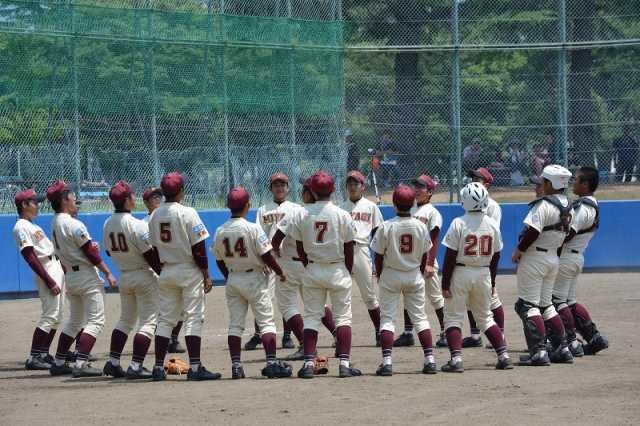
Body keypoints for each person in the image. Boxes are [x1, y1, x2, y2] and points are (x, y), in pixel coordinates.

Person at [211, 186, 293, 379]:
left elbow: (219, 260)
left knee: (235, 325)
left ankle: (236, 366)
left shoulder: (220, 230)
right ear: (247, 205)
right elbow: (266, 256)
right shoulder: (253, 228)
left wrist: (229, 277)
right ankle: (271, 363)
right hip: (254, 278)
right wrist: (280, 271)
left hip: (234, 277)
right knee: (266, 323)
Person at [148, 172, 221, 381]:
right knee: (193, 318)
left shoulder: (155, 215)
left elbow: (153, 248)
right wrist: (207, 274)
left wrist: (164, 267)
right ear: (181, 191)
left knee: (165, 320)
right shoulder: (188, 212)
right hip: (188, 270)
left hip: (167, 270)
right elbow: (199, 249)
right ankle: (195, 367)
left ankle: (157, 368)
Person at [289, 171, 362, 379]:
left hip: (313, 268)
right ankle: (344, 364)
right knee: (343, 318)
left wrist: (309, 265)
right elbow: (349, 248)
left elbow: (300, 248)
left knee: (312, 318)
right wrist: (347, 269)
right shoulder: (342, 214)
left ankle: (308, 364)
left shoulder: (301, 213)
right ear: (334, 190)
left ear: (312, 190)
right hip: (337, 268)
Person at [46, 180, 117, 377]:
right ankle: (81, 363)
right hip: (85, 276)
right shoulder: (73, 223)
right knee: (96, 320)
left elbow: (82, 249)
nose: (74, 199)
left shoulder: (55, 222)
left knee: (74, 321)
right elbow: (90, 252)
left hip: (71, 275)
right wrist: (108, 273)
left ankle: (59, 362)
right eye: (71, 196)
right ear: (63, 200)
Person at [440, 182, 513, 372]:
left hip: (461, 272)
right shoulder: (492, 224)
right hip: (483, 273)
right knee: (486, 318)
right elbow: (496, 257)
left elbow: (450, 257)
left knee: (453, 318)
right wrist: (493, 282)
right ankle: (504, 356)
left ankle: (456, 360)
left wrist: (445, 283)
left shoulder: (458, 222)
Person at [511, 165, 574, 366]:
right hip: (552, 257)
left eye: (543, 181)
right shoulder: (569, 205)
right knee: (547, 306)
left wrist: (518, 251)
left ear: (550, 183)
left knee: (529, 306)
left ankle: (539, 353)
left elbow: (533, 232)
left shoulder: (544, 204)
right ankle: (563, 349)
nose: (541, 185)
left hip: (536, 258)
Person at [271, 174, 339, 361]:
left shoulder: (296, 212)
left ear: (310, 193)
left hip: (290, 263)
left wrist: (276, 251)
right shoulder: (330, 212)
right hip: (312, 263)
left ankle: (305, 345)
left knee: (287, 305)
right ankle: (337, 335)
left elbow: (276, 240)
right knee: (316, 303)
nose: (301, 192)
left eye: (304, 190)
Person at [371, 185, 437, 376]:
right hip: (413, 274)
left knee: (388, 320)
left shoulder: (386, 225)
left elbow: (378, 255)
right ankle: (430, 360)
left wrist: (380, 274)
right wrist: (419, 271)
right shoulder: (420, 225)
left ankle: (387, 363)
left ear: (394, 204)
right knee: (420, 318)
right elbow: (424, 254)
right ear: (413, 203)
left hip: (391, 274)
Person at [101, 180, 164, 380]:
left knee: (125, 320)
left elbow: (108, 253)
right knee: (148, 322)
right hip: (143, 275)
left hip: (125, 274)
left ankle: (113, 362)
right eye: (132, 195)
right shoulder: (137, 225)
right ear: (127, 200)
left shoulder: (107, 223)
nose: (134, 198)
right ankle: (136, 366)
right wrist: (163, 274)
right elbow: (151, 256)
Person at [552, 167, 609, 356]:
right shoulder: (592, 204)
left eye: (576, 179)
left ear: (585, 184)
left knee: (557, 301)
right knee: (569, 302)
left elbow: (568, 234)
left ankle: (571, 342)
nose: (572, 183)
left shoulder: (583, 207)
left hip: (567, 257)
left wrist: (552, 244)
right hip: (576, 257)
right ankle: (594, 337)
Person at [13, 189, 65, 371]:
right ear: (24, 204)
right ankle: (33, 357)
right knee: (50, 314)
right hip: (46, 268)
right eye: (34, 202)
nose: (38, 205)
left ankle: (43, 353)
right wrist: (49, 280)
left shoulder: (33, 225)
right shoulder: (21, 226)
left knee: (57, 316)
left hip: (54, 265)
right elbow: (30, 256)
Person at [393, 174, 447, 348]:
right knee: (408, 296)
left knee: (435, 298)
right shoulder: (411, 209)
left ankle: (446, 331)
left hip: (426, 261)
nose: (416, 190)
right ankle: (408, 334)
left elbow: (434, 239)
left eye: (421, 187)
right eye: (415, 186)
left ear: (430, 192)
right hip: (411, 261)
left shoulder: (432, 212)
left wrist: (430, 263)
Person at [249, 172, 300, 352]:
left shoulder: (295, 208)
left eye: (282, 185)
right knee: (264, 297)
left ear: (288, 187)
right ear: (270, 188)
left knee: (287, 298)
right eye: (276, 185)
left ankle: (287, 336)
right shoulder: (263, 210)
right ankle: (258, 334)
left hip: (287, 256)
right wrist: (262, 259)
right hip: (269, 256)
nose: (279, 188)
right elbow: (258, 235)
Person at [461, 168, 506, 350]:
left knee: (492, 297)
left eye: (477, 179)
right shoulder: (468, 201)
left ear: (487, 185)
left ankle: (500, 335)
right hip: (470, 256)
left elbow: (493, 233)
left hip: (485, 257)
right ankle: (475, 335)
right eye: (472, 178)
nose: (473, 181)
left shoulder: (493, 206)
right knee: (469, 298)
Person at [338, 170, 383, 346]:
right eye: (350, 184)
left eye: (356, 183)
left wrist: (379, 262)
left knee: (368, 294)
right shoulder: (340, 208)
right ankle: (340, 334)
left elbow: (378, 235)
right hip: (342, 251)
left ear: (363, 186)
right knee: (340, 293)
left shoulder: (371, 207)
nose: (353, 186)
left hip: (361, 249)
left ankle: (380, 330)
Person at [142, 186, 186, 354]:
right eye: (153, 197)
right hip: (155, 270)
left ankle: (173, 339)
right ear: (146, 202)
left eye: (159, 196)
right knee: (162, 309)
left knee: (181, 307)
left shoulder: (171, 215)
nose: (157, 199)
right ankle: (164, 339)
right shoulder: (143, 223)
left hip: (172, 267)